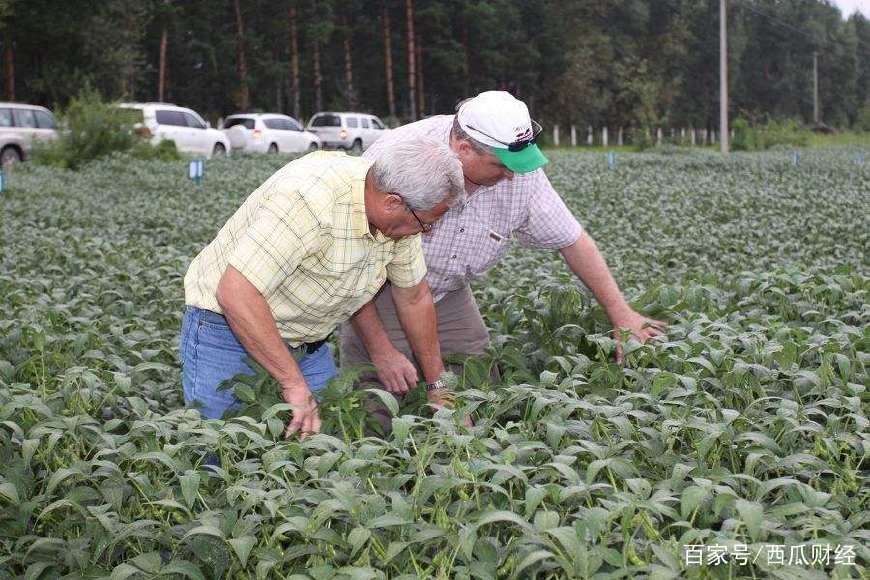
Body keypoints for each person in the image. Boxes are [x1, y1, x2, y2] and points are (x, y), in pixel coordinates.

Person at [340, 91, 666, 397]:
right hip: (379, 286)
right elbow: (349, 263)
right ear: (464, 150)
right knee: (382, 390)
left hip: (447, 289)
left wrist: (621, 313)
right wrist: (381, 349)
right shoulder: (394, 161)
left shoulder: (519, 171)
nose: (512, 176)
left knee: (477, 383)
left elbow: (573, 240)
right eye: (501, 166)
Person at [181, 139, 464, 438]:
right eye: (425, 223)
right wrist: (293, 383)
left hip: (308, 340)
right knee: (220, 444)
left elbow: (414, 297)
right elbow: (236, 292)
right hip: (225, 327)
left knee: (322, 449)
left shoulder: (399, 220)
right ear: (393, 202)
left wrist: (438, 386)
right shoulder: (310, 199)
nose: (425, 231)